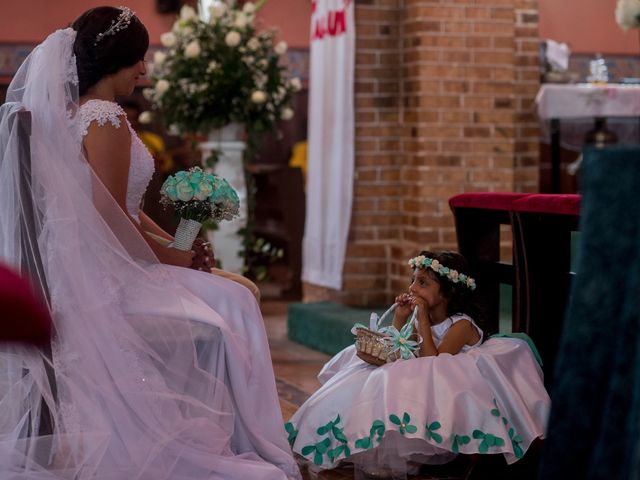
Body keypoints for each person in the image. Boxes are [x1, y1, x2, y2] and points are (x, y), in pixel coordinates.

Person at [0, 6, 299, 479]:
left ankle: (246, 431)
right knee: (236, 302)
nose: (144, 69)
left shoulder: (80, 114)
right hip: (104, 276)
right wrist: (172, 255)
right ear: (114, 60)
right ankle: (252, 438)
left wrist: (173, 243)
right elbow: (110, 216)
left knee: (236, 295)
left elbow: (121, 206)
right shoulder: (106, 119)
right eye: (137, 59)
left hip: (94, 262)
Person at [286, 251, 550, 477]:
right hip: (428, 370)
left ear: (448, 292)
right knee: (368, 376)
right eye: (413, 280)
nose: (412, 288)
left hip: (453, 384)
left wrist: (421, 317)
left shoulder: (461, 325)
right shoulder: (421, 317)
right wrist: (400, 319)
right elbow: (402, 347)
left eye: (422, 283)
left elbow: (434, 362)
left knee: (393, 379)